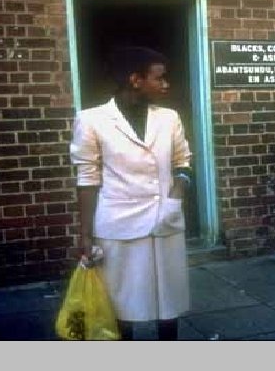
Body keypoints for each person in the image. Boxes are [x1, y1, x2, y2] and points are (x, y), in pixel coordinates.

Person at [70, 46, 192, 341]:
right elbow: (87, 179)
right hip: (119, 223)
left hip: (166, 218)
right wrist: (85, 234)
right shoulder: (92, 120)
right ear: (135, 80)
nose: (166, 84)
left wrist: (174, 200)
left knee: (169, 299)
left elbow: (183, 164)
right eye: (159, 78)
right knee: (123, 300)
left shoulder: (169, 117)